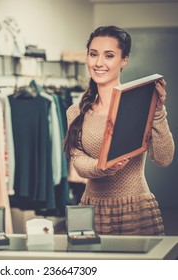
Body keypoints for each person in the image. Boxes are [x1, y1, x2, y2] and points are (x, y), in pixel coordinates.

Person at [64, 25, 175, 235]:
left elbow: (164, 158)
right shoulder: (75, 111)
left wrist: (158, 112)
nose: (99, 63)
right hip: (91, 209)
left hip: (135, 209)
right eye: (93, 54)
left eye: (109, 56)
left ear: (124, 60)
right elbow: (78, 162)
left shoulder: (141, 106)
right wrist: (103, 167)